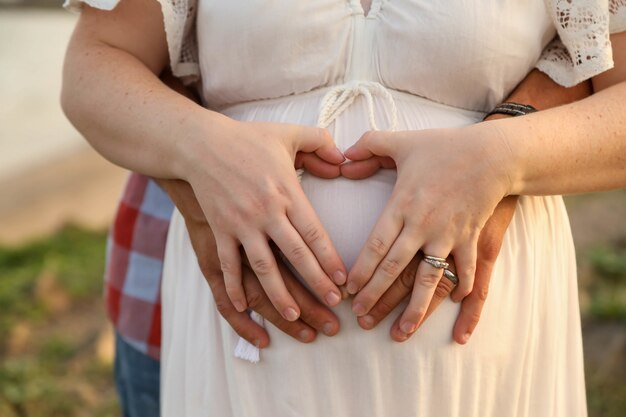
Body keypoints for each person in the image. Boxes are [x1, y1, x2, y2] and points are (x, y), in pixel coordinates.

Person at [61, 0, 626, 416]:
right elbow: (98, 62)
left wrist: (502, 156)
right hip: (242, 339)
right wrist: (201, 149)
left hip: (482, 340)